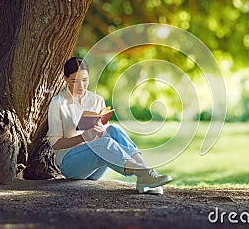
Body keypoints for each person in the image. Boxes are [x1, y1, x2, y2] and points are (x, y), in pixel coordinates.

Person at [47, 57, 172, 194]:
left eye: (85, 80)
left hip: (96, 168)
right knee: (102, 144)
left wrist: (101, 132)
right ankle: (142, 173)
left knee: (114, 129)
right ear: (65, 79)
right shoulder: (58, 102)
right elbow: (55, 143)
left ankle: (148, 175)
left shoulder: (96, 100)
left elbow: (105, 136)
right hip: (71, 164)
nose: (81, 86)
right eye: (74, 81)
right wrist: (83, 138)